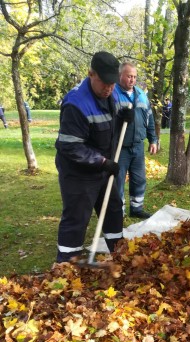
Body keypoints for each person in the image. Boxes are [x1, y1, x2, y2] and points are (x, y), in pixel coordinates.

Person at [55, 51, 134, 263]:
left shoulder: (113, 93)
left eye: (112, 83)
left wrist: (126, 116)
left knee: (113, 210)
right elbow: (70, 147)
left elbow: (113, 124)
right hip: (78, 171)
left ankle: (119, 256)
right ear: (91, 74)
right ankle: (67, 264)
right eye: (104, 83)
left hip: (104, 167)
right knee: (77, 218)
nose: (109, 88)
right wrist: (102, 162)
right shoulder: (76, 104)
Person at [115, 62, 158, 219]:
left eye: (134, 77)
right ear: (121, 75)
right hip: (120, 147)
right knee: (118, 181)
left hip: (137, 145)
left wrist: (153, 139)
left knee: (139, 179)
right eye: (129, 76)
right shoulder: (113, 94)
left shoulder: (141, 94)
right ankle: (119, 212)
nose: (132, 80)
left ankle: (137, 208)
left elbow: (149, 118)